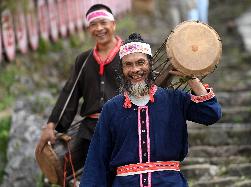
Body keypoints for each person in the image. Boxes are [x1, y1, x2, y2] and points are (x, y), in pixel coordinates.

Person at [80, 33, 222, 186]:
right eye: (128, 64)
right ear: (121, 69)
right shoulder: (111, 109)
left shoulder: (175, 100)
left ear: (150, 64)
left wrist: (191, 78)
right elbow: (97, 161)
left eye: (141, 62)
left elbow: (211, 114)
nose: (135, 69)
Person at [35, 3, 122, 171]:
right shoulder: (83, 60)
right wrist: (51, 125)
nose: (99, 28)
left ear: (113, 24)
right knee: (67, 169)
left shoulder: (129, 53)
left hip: (123, 126)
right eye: (93, 24)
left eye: (103, 23)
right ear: (88, 29)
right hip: (90, 130)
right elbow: (70, 93)